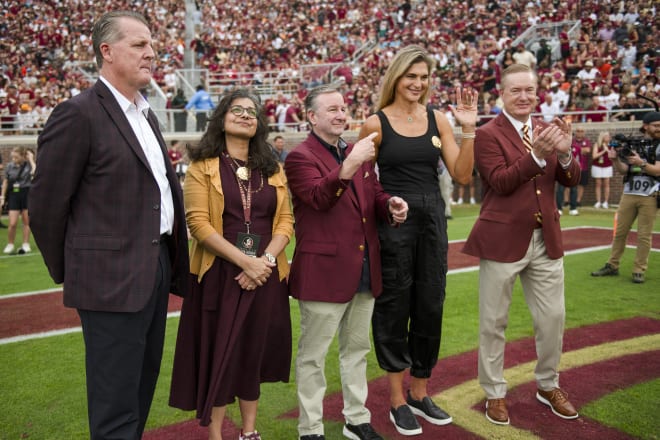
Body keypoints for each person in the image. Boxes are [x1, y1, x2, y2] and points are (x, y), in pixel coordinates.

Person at [28, 11, 190, 439]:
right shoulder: (78, 113)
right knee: (115, 404)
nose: (151, 53)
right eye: (139, 45)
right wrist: (78, 269)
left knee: (139, 391)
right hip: (108, 279)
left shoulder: (146, 114)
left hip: (154, 265)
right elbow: (45, 206)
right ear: (107, 51)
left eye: (152, 44)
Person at [358, 45, 477, 436]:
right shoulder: (375, 124)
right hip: (395, 222)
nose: (418, 83)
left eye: (424, 77)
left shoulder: (438, 118)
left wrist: (468, 128)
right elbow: (364, 182)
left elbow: (461, 175)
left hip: (432, 222)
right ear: (396, 77)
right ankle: (395, 399)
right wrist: (384, 208)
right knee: (394, 306)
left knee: (431, 303)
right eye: (411, 76)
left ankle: (420, 392)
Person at [284, 85, 408, 440]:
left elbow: (373, 195)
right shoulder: (299, 156)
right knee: (313, 356)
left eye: (343, 108)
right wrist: (352, 163)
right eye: (332, 110)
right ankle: (310, 429)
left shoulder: (357, 151)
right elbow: (318, 198)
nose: (341, 114)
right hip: (323, 272)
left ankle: (357, 418)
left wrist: (390, 206)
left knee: (356, 351)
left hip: (365, 268)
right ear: (311, 117)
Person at [169, 89, 293, 440]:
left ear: (260, 124)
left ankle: (250, 432)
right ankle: (217, 435)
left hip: (265, 274)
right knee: (219, 353)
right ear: (221, 118)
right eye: (236, 110)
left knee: (252, 351)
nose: (244, 115)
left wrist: (264, 262)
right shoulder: (202, 167)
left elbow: (285, 222)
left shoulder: (273, 168)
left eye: (251, 112)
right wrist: (245, 262)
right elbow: (198, 224)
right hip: (220, 274)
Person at [463, 63, 581, 426]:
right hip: (502, 239)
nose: (524, 96)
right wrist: (537, 156)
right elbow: (499, 182)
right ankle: (495, 391)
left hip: (546, 238)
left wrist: (564, 154)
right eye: (516, 90)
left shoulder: (547, 129)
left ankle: (548, 384)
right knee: (493, 321)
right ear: (501, 93)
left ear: (537, 92)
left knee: (553, 318)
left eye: (530, 90)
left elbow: (572, 179)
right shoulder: (487, 134)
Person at [591, 111, 660, 284]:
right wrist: (615, 160)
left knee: (644, 234)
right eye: (656, 126)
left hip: (650, 194)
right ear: (646, 126)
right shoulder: (634, 144)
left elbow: (658, 170)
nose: (659, 128)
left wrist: (641, 163)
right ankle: (612, 265)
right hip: (629, 192)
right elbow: (624, 170)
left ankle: (639, 269)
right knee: (620, 232)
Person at [1, 147, 34, 254]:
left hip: (26, 193)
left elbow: (35, 172)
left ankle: (26, 244)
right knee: (12, 223)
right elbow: (5, 182)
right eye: (12, 157)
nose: (13, 159)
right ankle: (10, 244)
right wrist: (2, 197)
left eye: (16, 157)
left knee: (26, 221)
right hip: (14, 195)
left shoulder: (29, 165)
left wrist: (31, 159)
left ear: (22, 156)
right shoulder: (10, 166)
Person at [591, 131, 614, 208]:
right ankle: (598, 201)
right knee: (598, 184)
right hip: (597, 166)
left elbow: (613, 156)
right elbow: (594, 156)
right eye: (607, 136)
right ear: (602, 137)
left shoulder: (611, 145)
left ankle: (606, 202)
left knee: (607, 184)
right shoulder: (597, 145)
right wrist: (603, 151)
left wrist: (608, 150)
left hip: (607, 166)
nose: (608, 138)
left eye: (609, 136)